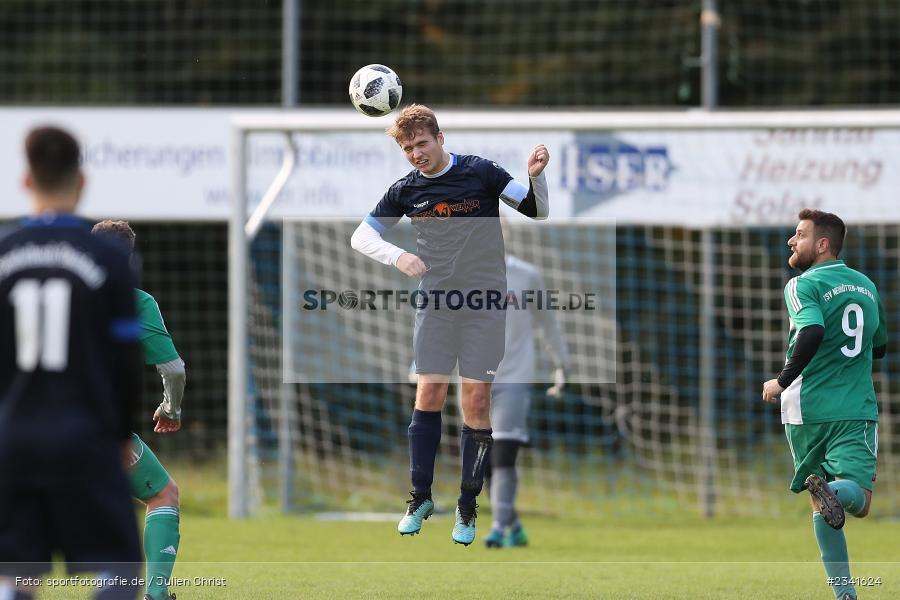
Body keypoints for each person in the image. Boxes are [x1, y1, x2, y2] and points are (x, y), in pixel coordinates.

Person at [350, 104, 550, 546]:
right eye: (407, 148)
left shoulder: (481, 172)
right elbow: (361, 236)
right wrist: (398, 256)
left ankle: (467, 503)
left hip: (485, 304)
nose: (415, 154)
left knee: (476, 400)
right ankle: (419, 497)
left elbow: (535, 209)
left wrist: (535, 175)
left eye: (421, 143)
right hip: (437, 303)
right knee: (429, 391)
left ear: (440, 139)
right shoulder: (405, 190)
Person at [0, 126, 143, 599]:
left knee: (17, 575)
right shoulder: (107, 259)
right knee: (120, 571)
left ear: (26, 181)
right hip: (86, 438)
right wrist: (123, 436)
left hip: (14, 438)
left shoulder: (5, 256)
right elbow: (126, 362)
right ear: (81, 181)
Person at [762, 208, 886, 600]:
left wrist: (781, 380)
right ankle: (836, 495)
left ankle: (845, 595)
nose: (790, 241)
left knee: (822, 501)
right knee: (858, 500)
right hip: (853, 408)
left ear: (822, 244)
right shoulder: (866, 286)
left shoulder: (801, 285)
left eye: (798, 234)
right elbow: (878, 346)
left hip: (805, 409)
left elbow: (812, 328)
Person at [92, 220, 185, 600]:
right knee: (163, 495)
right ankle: (156, 595)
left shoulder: (57, 290)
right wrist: (171, 408)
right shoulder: (134, 300)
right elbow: (174, 369)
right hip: (99, 424)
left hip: (27, 420)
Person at [484, 221, 569, 549]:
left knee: (503, 454)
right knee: (483, 461)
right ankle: (514, 524)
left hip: (515, 378)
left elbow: (548, 323)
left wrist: (562, 365)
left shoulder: (526, 276)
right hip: (475, 382)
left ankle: (498, 529)